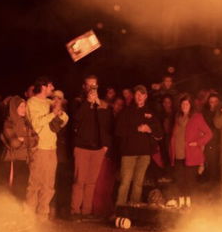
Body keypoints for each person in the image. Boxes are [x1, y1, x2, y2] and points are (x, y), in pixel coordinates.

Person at [26, 77, 68, 220]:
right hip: (39, 147)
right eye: (51, 85)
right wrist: (52, 114)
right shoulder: (32, 103)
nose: (53, 88)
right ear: (43, 86)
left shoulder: (50, 102)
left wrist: (59, 111)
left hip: (51, 147)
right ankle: (29, 214)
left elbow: (66, 119)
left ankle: (43, 215)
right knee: (35, 183)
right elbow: (36, 124)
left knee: (49, 184)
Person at [115, 85, 163, 206]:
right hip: (128, 153)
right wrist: (136, 129)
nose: (139, 96)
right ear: (134, 96)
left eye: (142, 94)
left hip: (144, 154)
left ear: (146, 96)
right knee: (125, 182)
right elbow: (119, 131)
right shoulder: (126, 112)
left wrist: (149, 129)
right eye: (137, 94)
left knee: (138, 183)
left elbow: (160, 133)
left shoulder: (150, 113)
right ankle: (120, 208)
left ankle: (133, 209)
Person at [70, 82, 111, 220]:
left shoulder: (103, 106)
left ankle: (86, 212)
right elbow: (77, 118)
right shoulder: (79, 103)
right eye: (90, 88)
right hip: (82, 147)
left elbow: (107, 125)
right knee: (79, 180)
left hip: (98, 149)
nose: (93, 90)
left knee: (91, 182)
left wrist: (105, 145)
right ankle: (75, 211)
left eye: (95, 88)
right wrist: (88, 102)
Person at [170, 96, 212, 204]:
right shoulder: (177, 118)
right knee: (180, 182)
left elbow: (209, 134)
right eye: (183, 104)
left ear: (191, 106)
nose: (184, 106)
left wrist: (198, 143)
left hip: (191, 156)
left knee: (190, 183)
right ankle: (181, 206)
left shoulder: (196, 117)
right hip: (178, 155)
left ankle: (190, 207)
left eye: (187, 104)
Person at [1, 96, 38, 202]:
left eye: (25, 106)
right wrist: (27, 140)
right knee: (11, 191)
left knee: (22, 191)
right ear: (14, 108)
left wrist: (23, 139)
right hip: (12, 161)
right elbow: (14, 143)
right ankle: (9, 216)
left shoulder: (26, 123)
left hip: (24, 160)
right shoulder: (8, 123)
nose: (24, 109)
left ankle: (19, 216)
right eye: (21, 106)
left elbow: (36, 139)